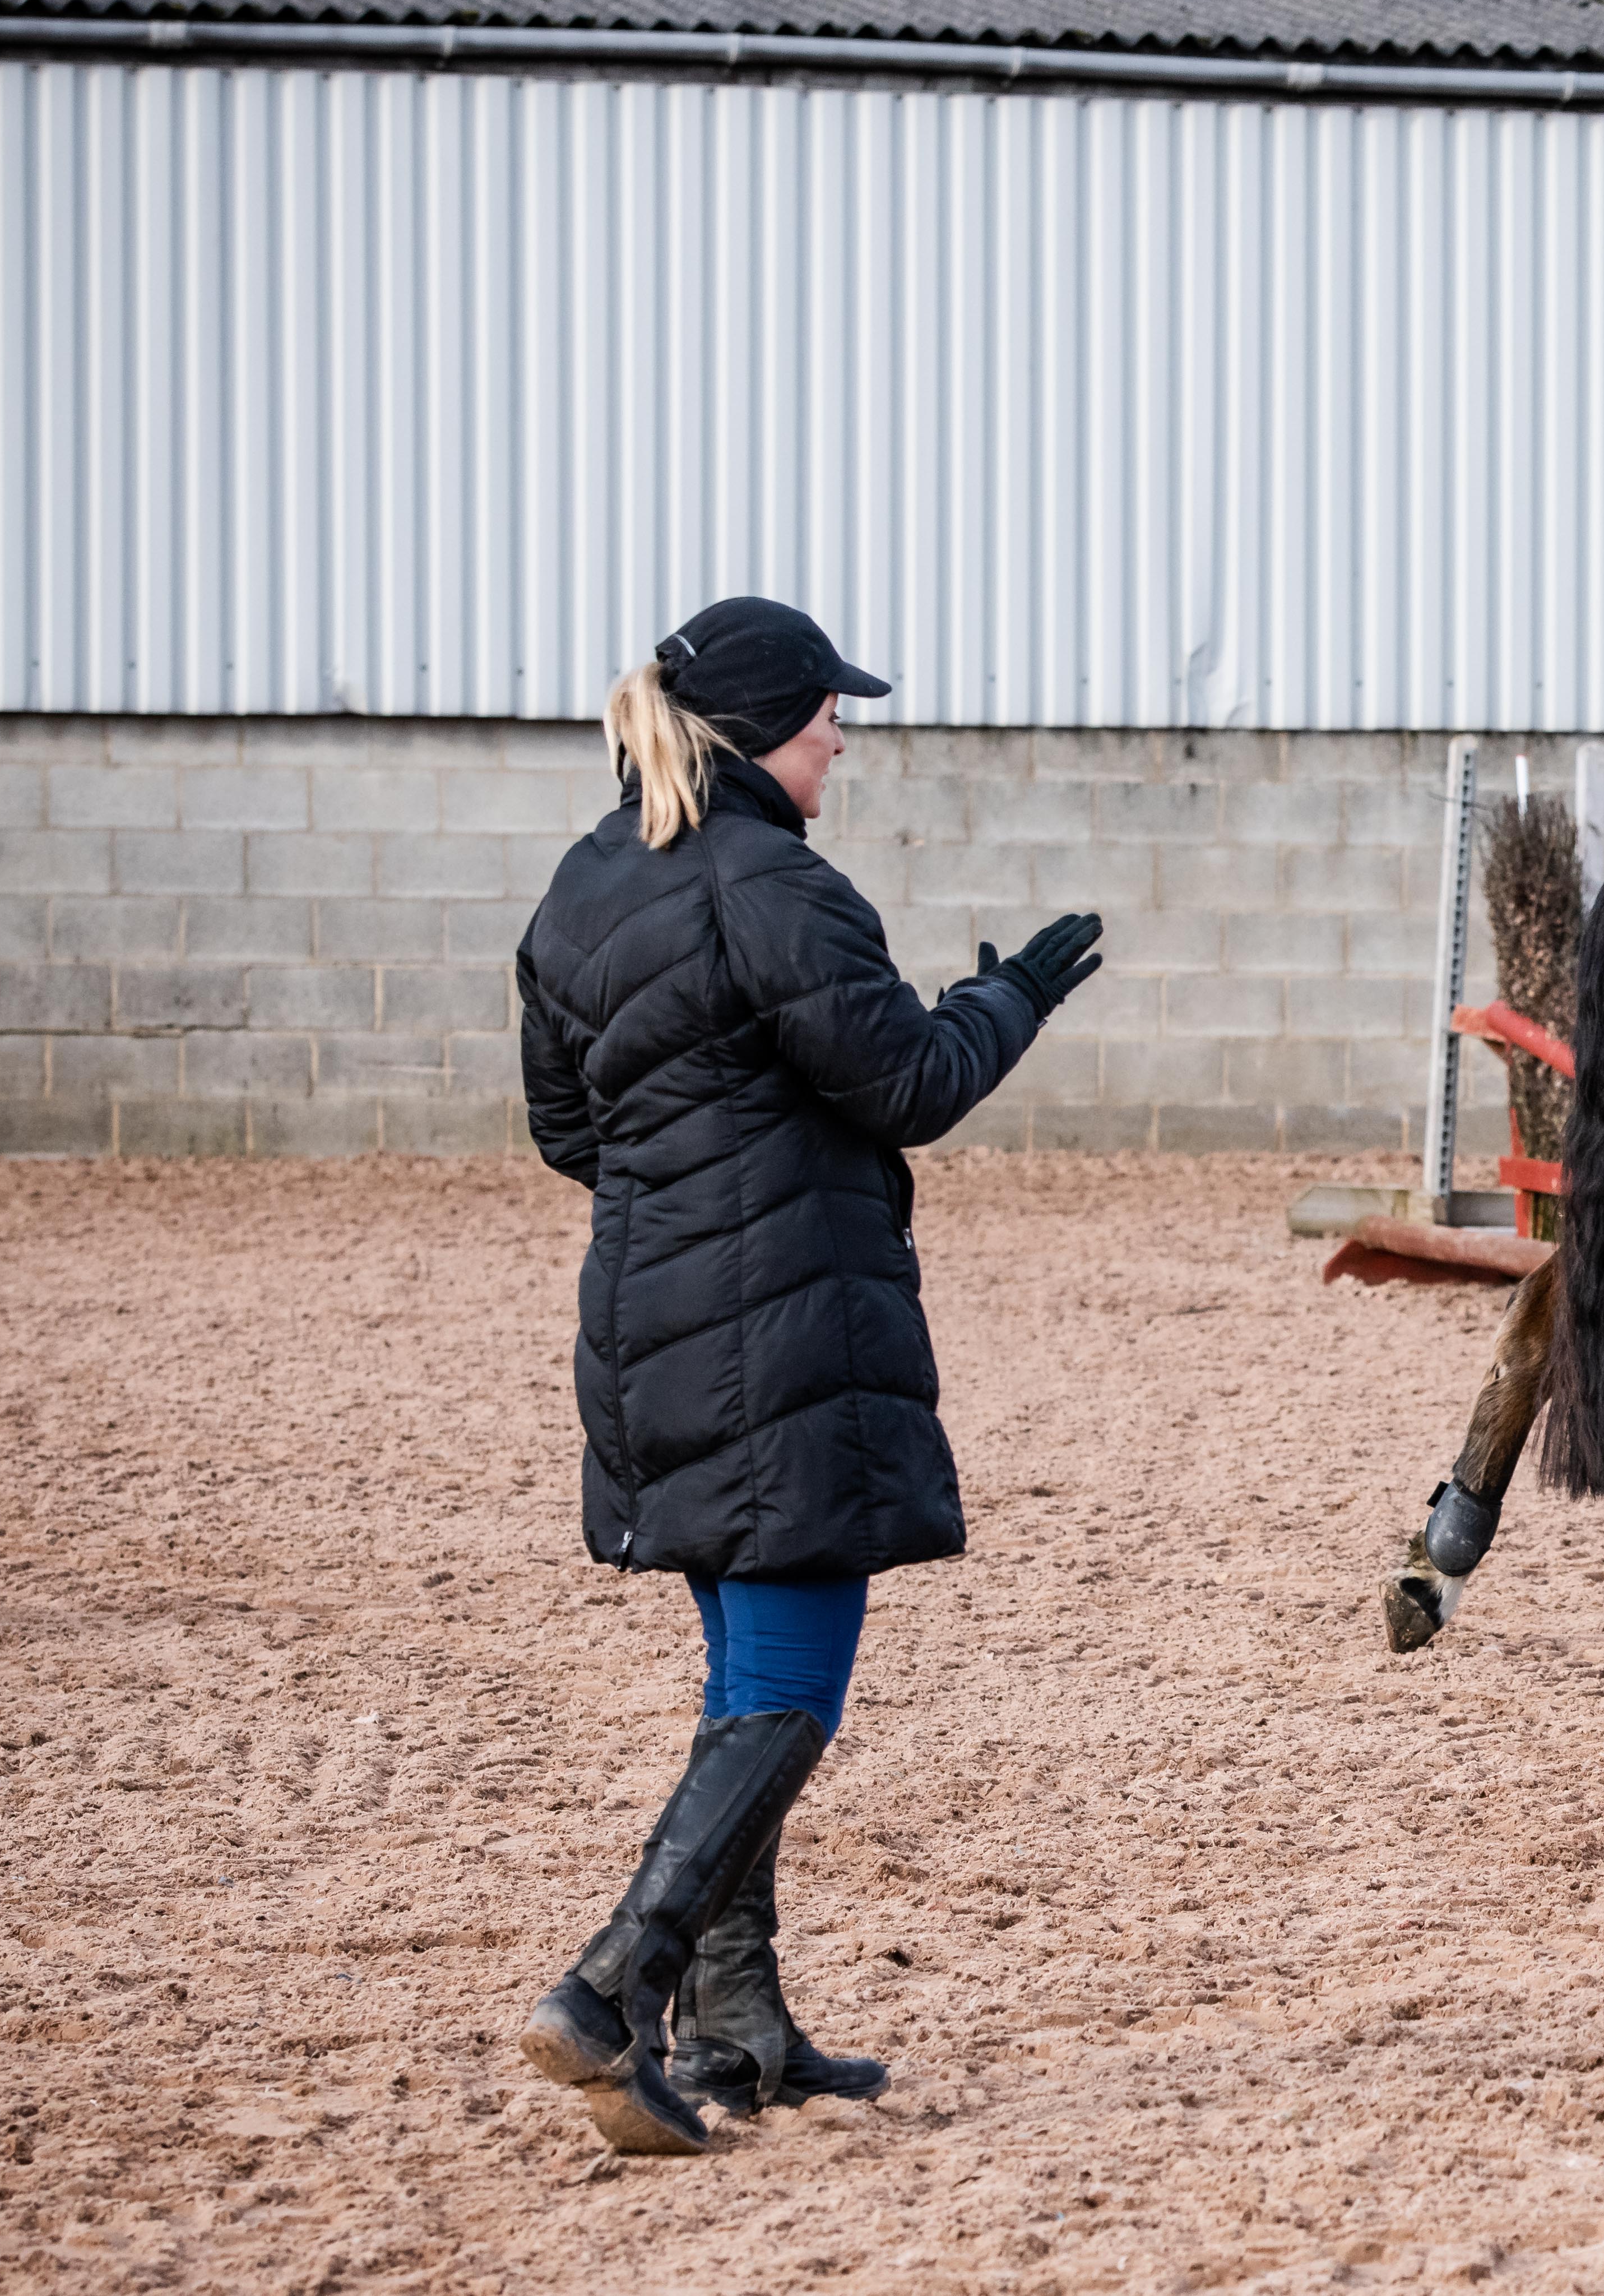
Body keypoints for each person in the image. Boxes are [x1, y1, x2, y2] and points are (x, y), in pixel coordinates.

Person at [509, 595, 1105, 2157]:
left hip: (650, 1330)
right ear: (769, 725)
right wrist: (1015, 995)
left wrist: (701, 1174)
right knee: (790, 1686)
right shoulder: (775, 881)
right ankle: (610, 1991)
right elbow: (909, 1081)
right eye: (832, 710)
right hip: (777, 1335)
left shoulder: (586, 882)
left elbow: (570, 1131)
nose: (845, 734)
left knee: (742, 1685)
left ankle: (738, 2022)